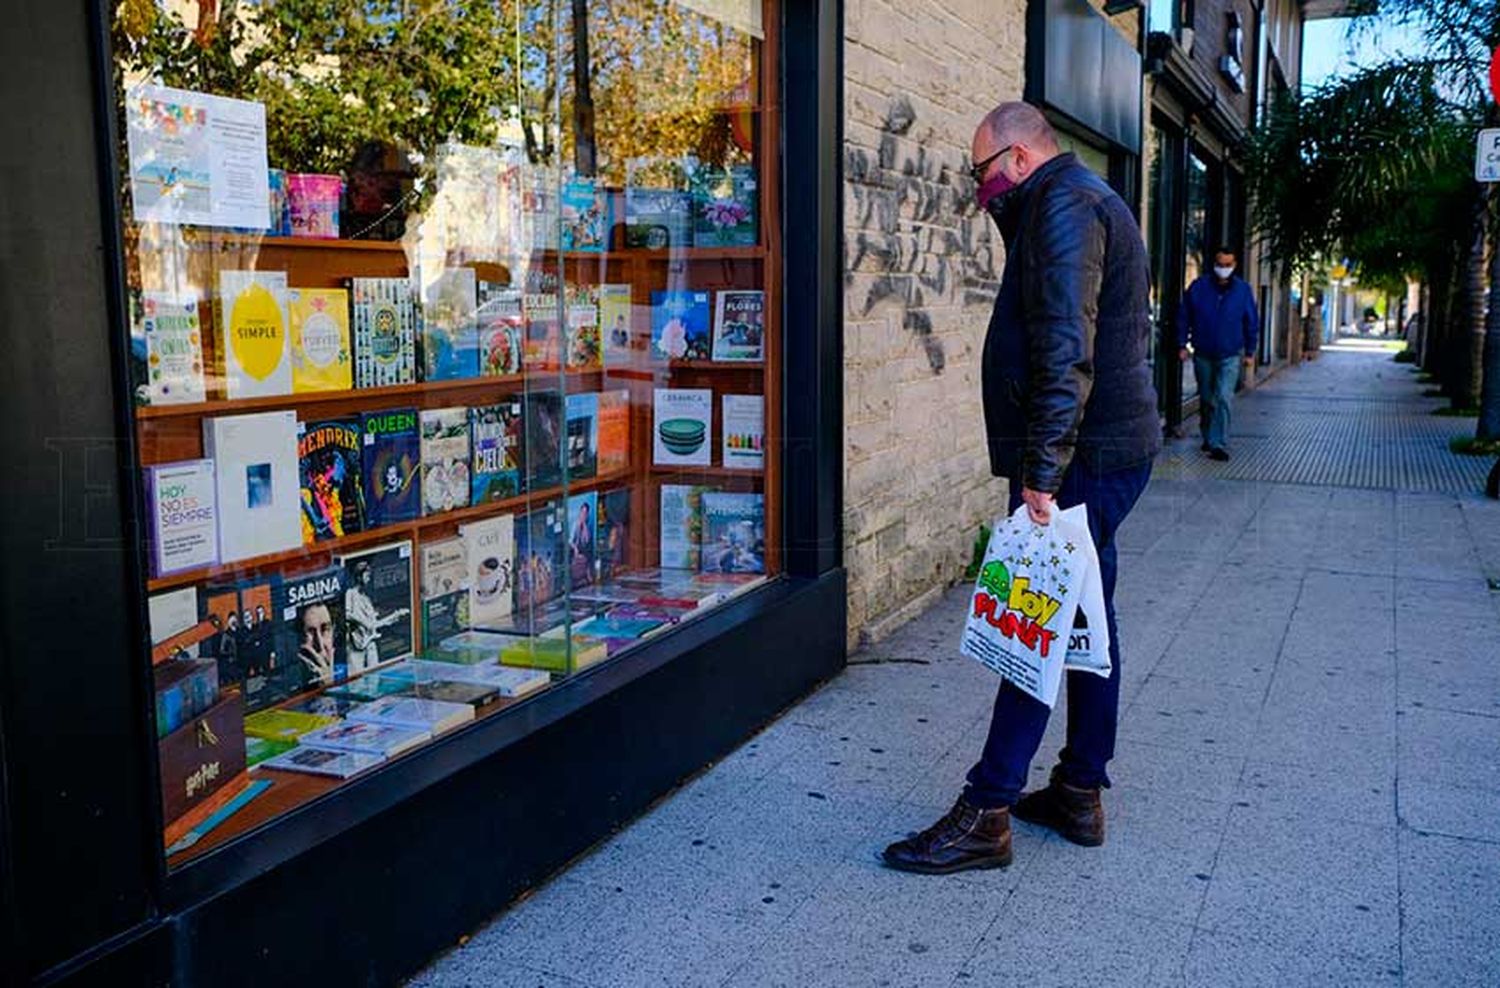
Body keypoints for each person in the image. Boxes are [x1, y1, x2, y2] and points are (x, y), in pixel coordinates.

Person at [883, 102, 1159, 875]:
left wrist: (1042, 473)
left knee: (1032, 627)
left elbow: (1066, 350)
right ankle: (1077, 790)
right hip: (1101, 450)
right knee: (1082, 621)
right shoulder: (1073, 200)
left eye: (982, 175)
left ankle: (989, 808)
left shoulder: (1064, 208)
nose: (979, 194)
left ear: (1016, 158)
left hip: (1079, 460)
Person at [1177, 247, 1259, 461]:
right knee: (1206, 398)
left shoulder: (1242, 291)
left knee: (1223, 397)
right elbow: (1185, 315)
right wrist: (1181, 344)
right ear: (1214, 265)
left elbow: (1251, 321)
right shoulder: (1198, 287)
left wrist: (1250, 351)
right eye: (1220, 265)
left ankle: (1218, 443)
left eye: (1228, 265)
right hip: (1203, 352)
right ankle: (1208, 435)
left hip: (1230, 353)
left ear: (1234, 266)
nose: (1223, 269)